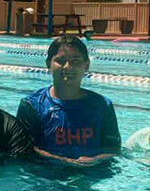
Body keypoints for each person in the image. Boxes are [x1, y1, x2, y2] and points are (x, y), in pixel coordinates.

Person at [16, 36, 121, 166]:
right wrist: (65, 162)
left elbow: (114, 149)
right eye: (60, 61)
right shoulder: (32, 105)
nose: (68, 67)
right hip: (46, 177)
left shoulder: (102, 106)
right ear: (48, 64)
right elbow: (25, 149)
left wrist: (96, 160)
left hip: (90, 175)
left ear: (86, 65)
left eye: (75, 61)